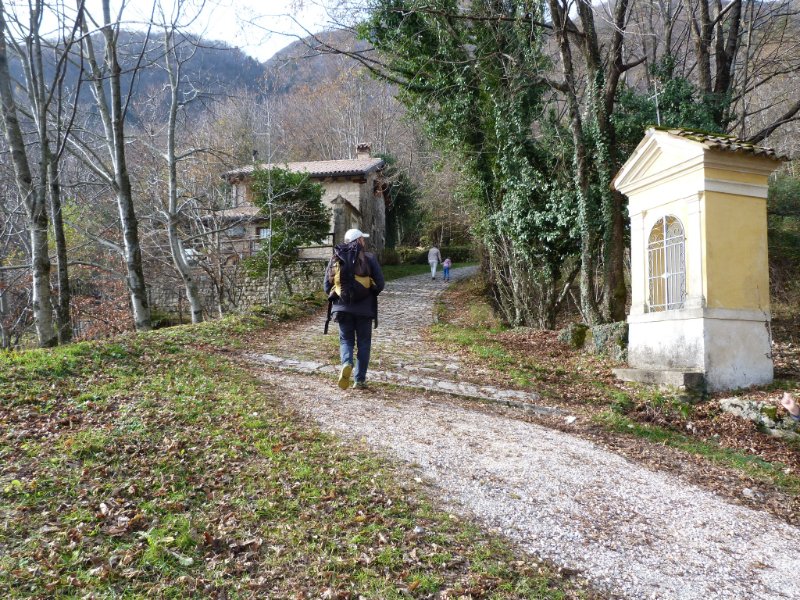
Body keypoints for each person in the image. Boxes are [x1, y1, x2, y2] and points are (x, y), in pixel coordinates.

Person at [324, 228, 385, 390]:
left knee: (346, 340)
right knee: (364, 343)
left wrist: (340, 295)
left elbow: (326, 287)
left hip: (342, 309)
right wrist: (369, 291)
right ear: (359, 241)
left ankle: (347, 362)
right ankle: (359, 380)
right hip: (365, 310)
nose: (364, 242)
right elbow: (381, 284)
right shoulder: (369, 258)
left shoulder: (335, 258)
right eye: (362, 239)